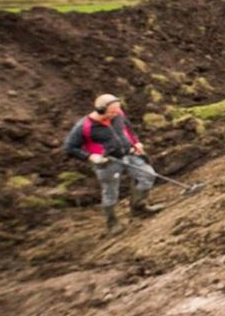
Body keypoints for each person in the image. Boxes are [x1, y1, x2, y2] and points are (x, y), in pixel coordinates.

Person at [63, 93, 163, 236]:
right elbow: (69, 148)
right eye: (112, 112)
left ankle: (139, 207)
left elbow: (127, 128)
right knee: (110, 193)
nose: (116, 114)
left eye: (117, 111)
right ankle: (112, 223)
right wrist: (90, 156)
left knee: (148, 175)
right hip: (108, 162)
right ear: (100, 110)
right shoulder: (84, 126)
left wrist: (136, 142)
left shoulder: (118, 114)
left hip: (129, 154)